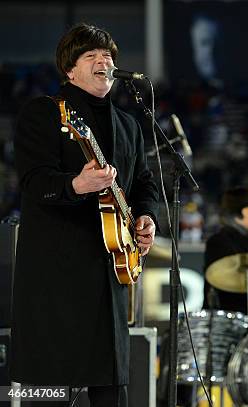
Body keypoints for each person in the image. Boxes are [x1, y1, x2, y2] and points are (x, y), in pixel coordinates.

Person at [10, 23, 158, 406]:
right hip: (55, 278)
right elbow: (32, 180)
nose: (103, 61)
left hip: (108, 276)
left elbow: (144, 183)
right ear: (70, 70)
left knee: (110, 390)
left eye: (107, 56)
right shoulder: (44, 112)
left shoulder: (129, 125)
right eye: (91, 56)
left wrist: (146, 217)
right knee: (50, 392)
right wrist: (76, 185)